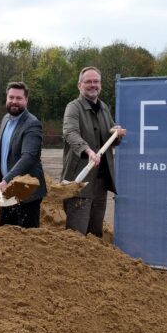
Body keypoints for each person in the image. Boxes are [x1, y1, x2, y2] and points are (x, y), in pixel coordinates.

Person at [61, 66, 127, 237]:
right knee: (77, 233)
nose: (92, 85)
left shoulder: (104, 108)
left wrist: (117, 133)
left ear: (101, 85)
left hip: (100, 182)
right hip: (80, 182)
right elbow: (70, 133)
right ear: (79, 85)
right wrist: (87, 150)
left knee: (95, 233)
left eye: (96, 81)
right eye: (88, 82)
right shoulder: (73, 108)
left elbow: (111, 134)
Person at [0, 81, 47, 228]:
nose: (14, 101)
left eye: (19, 98)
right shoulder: (5, 119)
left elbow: (29, 157)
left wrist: (6, 179)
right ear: (6, 99)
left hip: (27, 192)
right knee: (6, 233)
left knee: (26, 239)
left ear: (26, 100)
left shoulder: (32, 124)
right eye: (11, 97)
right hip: (7, 191)